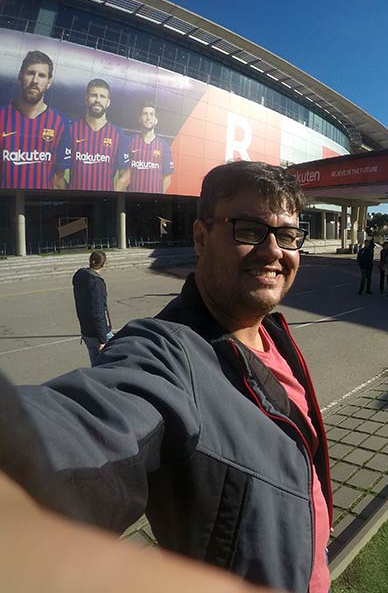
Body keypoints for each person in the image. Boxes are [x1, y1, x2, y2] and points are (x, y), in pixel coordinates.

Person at [0, 161, 331, 593]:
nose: (273, 251)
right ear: (200, 237)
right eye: (248, 229)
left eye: (287, 235)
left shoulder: (274, 333)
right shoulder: (168, 352)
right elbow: (93, 421)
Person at [0, 50, 71, 190]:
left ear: (49, 82)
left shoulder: (61, 123)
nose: (35, 81)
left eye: (42, 75)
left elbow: (60, 172)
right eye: (30, 73)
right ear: (20, 76)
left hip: (40, 206)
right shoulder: (2, 116)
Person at [63, 78, 130, 192]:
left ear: (108, 102)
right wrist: (68, 193)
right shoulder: (70, 129)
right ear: (86, 98)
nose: (98, 100)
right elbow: (56, 170)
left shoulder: (118, 134)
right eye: (94, 95)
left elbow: (126, 174)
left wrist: (110, 196)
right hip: (74, 203)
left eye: (102, 96)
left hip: (103, 204)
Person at [72, 250, 114, 365]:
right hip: (98, 333)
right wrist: (102, 339)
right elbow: (98, 311)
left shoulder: (80, 276)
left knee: (96, 363)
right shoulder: (96, 283)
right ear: (104, 264)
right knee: (114, 361)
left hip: (86, 330)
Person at [128, 100, 174, 194]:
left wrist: (159, 196)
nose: (148, 118)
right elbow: (123, 173)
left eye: (151, 114)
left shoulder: (163, 146)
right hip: (131, 199)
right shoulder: (129, 142)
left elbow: (167, 177)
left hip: (153, 201)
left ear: (156, 120)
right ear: (139, 118)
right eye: (145, 114)